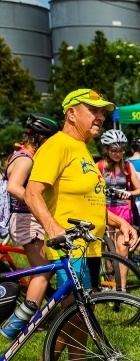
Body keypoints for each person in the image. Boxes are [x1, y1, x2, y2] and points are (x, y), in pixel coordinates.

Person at [21, 88, 137, 361]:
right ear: (71, 113)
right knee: (73, 314)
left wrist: (119, 222)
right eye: (93, 110)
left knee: (84, 312)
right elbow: (32, 192)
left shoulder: (82, 150)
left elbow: (90, 201)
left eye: (102, 112)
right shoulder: (58, 144)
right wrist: (52, 228)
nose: (100, 117)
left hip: (90, 247)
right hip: (69, 248)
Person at [0, 113, 60, 339]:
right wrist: (34, 200)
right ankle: (20, 323)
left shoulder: (20, 155)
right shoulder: (26, 159)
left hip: (26, 218)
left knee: (43, 269)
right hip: (26, 219)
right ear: (42, 138)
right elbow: (13, 186)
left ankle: (32, 318)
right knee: (42, 272)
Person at [97, 129, 140, 291]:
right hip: (105, 211)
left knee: (122, 249)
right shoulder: (99, 167)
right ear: (107, 150)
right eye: (114, 150)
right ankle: (112, 286)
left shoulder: (128, 167)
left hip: (124, 212)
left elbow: (139, 188)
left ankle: (121, 289)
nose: (118, 154)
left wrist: (129, 193)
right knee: (109, 251)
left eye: (121, 150)